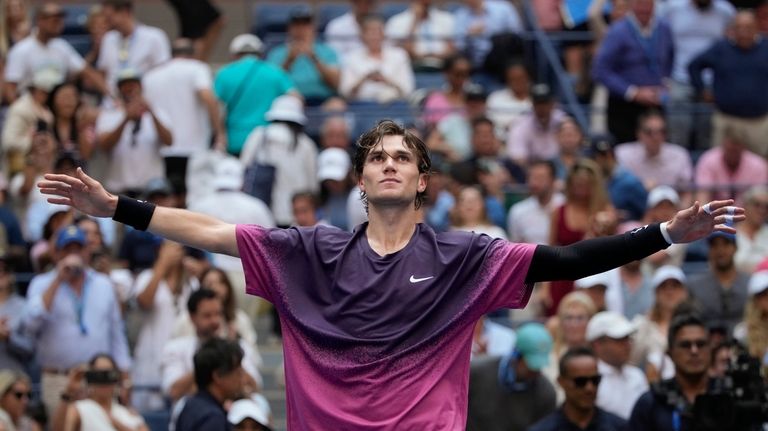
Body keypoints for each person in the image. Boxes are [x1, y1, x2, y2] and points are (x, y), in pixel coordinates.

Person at [38, 119, 744, 428]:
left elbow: (566, 260)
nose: (388, 164)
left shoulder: (465, 257)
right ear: (361, 177)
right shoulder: (309, 251)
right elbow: (213, 231)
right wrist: (115, 207)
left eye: (402, 156)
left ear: (423, 179)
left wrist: (658, 234)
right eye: (377, 156)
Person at [22, 225, 131, 417]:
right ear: (57, 253)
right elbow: (30, 325)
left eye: (78, 249)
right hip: (58, 378)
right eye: (68, 249)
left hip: (98, 379)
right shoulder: (41, 283)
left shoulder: (104, 284)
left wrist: (125, 376)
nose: (74, 255)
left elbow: (116, 333)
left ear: (87, 251)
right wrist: (57, 280)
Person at [142, 38, 226, 197]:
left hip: (161, 151)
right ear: (192, 53)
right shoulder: (198, 68)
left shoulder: (151, 75)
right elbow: (207, 96)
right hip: (195, 148)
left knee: (166, 202)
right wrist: (220, 132)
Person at [592, 0, 674, 144]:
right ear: (632, 5)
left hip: (655, 103)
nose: (644, 10)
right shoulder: (617, 31)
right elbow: (600, 70)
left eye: (647, 5)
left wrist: (664, 82)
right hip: (624, 106)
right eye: (640, 5)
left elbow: (670, 57)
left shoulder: (663, 28)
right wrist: (632, 92)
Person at [131, 240, 199, 411]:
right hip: (150, 362)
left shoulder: (192, 283)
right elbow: (144, 301)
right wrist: (162, 265)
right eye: (167, 246)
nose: (173, 251)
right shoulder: (147, 277)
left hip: (181, 366)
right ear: (158, 251)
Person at [688, 10, 768, 156]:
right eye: (739, 27)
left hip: (759, 122)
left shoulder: (766, 48)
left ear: (757, 28)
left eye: (748, 27)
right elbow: (694, 66)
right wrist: (702, 91)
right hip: (726, 120)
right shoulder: (721, 48)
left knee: (760, 168)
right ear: (732, 29)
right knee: (720, 164)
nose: (743, 32)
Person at [160, 289, 260, 404]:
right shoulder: (175, 348)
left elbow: (254, 386)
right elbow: (173, 391)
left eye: (218, 314)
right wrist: (208, 358)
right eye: (207, 316)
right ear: (192, 317)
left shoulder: (239, 346)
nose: (215, 321)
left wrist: (231, 354)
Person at [661, 0, 734, 150]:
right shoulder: (672, 8)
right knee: (678, 132)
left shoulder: (726, 11)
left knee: (707, 134)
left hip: (712, 82)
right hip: (679, 79)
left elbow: (731, 43)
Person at [3, 2, 107, 103]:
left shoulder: (61, 46)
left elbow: (88, 72)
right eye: (55, 21)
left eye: (61, 20)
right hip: (31, 107)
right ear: (40, 20)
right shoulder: (21, 49)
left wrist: (113, 96)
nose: (59, 24)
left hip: (58, 108)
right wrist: (20, 112)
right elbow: (10, 87)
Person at [239, 95, 318, 227]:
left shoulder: (259, 135)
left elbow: (243, 169)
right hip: (296, 216)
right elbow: (312, 186)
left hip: (262, 211)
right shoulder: (306, 144)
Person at [628, 313, 713, 431]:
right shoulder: (651, 403)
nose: (694, 351)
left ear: (711, 350)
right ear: (669, 353)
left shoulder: (730, 394)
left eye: (701, 344)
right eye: (685, 345)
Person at [214, 34, 295, 156]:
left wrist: (220, 134)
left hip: (234, 141)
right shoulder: (275, 72)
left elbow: (215, 107)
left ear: (234, 54)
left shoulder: (224, 74)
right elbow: (295, 98)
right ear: (261, 53)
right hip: (267, 141)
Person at [95, 69, 172, 196]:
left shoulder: (157, 113)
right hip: (119, 191)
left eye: (133, 85)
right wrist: (126, 119)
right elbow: (104, 145)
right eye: (125, 86)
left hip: (152, 191)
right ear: (119, 90)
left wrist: (151, 112)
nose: (130, 89)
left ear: (141, 87)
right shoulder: (109, 115)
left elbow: (169, 141)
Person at [467, 323, 556, 431]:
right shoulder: (476, 372)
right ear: (516, 355)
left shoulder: (545, 393)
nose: (536, 371)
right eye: (531, 365)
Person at [528, 347, 629, 431]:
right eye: (580, 381)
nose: (589, 388)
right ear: (561, 382)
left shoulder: (620, 427)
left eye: (595, 380)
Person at [266, 7, 340, 105]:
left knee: (336, 104)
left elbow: (335, 83)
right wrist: (289, 60)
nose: (301, 30)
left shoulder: (327, 51)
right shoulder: (277, 52)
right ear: (290, 28)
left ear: (313, 28)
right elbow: (271, 84)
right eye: (297, 25)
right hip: (289, 100)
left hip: (322, 99)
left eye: (305, 25)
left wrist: (314, 57)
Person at [586, 311, 648, 419]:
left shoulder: (637, 376)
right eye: (619, 340)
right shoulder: (587, 381)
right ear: (597, 344)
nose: (627, 345)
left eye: (628, 339)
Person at [339, 15, 414, 103]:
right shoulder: (350, 57)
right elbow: (345, 92)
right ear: (362, 35)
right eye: (370, 32)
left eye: (378, 31)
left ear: (384, 34)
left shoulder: (399, 55)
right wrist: (364, 79)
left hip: (394, 105)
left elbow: (407, 90)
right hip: (360, 106)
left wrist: (386, 80)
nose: (374, 36)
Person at [174, 338, 245, 431]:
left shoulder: (190, 405)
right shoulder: (212, 418)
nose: (242, 378)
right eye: (238, 373)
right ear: (218, 376)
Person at [688, 230, 749, 336]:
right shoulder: (694, 285)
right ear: (708, 250)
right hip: (706, 344)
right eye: (714, 245)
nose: (720, 250)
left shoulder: (750, 283)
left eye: (726, 244)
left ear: (735, 248)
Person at [63, 354, 147, 431]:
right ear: (90, 377)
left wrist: (115, 423)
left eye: (109, 375)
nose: (104, 381)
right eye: (98, 375)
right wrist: (69, 392)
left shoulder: (128, 414)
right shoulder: (79, 409)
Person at [97, 0, 170, 89]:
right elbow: (104, 73)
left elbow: (163, 74)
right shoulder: (108, 38)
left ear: (124, 12)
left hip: (144, 97)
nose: (106, 22)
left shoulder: (155, 37)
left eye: (109, 18)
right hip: (113, 100)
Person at [614, 111, 693, 192]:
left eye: (661, 131)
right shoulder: (622, 154)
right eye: (649, 132)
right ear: (639, 133)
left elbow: (686, 193)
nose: (655, 137)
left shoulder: (680, 155)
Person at [1, 68, 57, 176]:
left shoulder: (45, 110)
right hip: (20, 170)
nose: (45, 95)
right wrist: (32, 143)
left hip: (43, 168)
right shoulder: (20, 109)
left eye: (47, 92)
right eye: (42, 91)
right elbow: (8, 142)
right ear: (34, 89)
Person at [693, 125, 768, 204]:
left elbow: (759, 199)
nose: (733, 154)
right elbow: (702, 195)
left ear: (743, 147)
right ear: (723, 145)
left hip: (747, 212)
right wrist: (705, 213)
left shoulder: (758, 165)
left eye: (736, 151)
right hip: (713, 211)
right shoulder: (708, 159)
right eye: (730, 150)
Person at [589, 134, 647, 222]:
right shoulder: (596, 179)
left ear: (607, 155)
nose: (591, 162)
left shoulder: (630, 183)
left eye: (593, 158)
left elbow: (647, 213)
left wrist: (624, 218)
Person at [453, 0, 524, 71]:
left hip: (503, 58)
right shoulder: (460, 15)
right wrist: (469, 35)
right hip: (477, 62)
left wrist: (491, 33)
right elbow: (458, 46)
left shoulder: (503, 8)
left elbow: (517, 33)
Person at [507, 83, 567, 166]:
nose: (542, 108)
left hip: (560, 168)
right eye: (538, 103)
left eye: (545, 103)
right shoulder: (521, 124)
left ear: (552, 104)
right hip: (532, 169)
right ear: (532, 104)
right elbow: (517, 157)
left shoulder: (563, 121)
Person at [385, 0, 456, 70]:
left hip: (444, 65)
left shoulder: (447, 18)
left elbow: (453, 49)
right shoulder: (396, 22)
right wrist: (415, 21)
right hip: (412, 67)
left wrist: (435, 56)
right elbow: (400, 53)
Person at [507, 160, 564, 245]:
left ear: (553, 180)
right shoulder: (518, 211)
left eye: (540, 178)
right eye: (531, 177)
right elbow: (515, 246)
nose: (534, 183)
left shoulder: (565, 206)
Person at [421, 55, 472, 128]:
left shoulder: (475, 100)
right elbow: (430, 126)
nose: (461, 78)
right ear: (447, 73)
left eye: (466, 74)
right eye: (458, 74)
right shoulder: (435, 99)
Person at [486, 61, 532, 140]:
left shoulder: (538, 100)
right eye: (513, 79)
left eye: (520, 78)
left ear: (528, 78)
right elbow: (489, 126)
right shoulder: (495, 99)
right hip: (501, 145)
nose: (517, 82)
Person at [734, 186, 768, 273]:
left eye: (766, 206)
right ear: (745, 205)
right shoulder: (729, 233)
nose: (762, 210)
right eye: (757, 205)